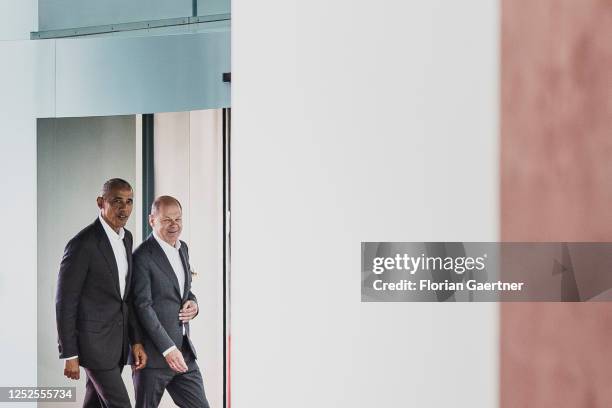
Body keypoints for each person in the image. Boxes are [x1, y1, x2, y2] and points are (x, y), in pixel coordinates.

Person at [56, 178, 147, 408]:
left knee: (94, 403)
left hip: (117, 344)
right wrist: (70, 354)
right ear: (100, 202)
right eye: (117, 201)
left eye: (129, 201)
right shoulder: (82, 244)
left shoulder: (126, 238)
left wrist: (135, 340)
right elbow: (65, 302)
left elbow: (125, 298)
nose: (124, 208)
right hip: (93, 345)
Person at [132, 195, 210, 408]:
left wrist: (194, 305)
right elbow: (142, 306)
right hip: (153, 357)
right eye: (167, 220)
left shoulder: (182, 248)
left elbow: (185, 292)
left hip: (184, 353)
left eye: (178, 219)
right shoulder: (142, 256)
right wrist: (168, 349)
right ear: (152, 220)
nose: (174, 225)